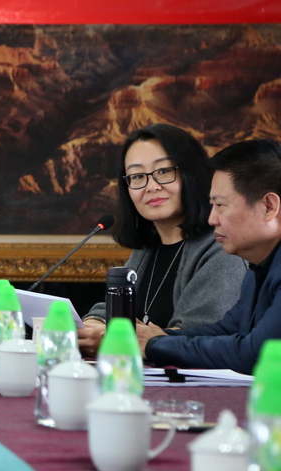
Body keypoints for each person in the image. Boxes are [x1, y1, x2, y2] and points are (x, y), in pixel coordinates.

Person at [78, 124, 245, 355]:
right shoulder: (148, 249)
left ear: (192, 174)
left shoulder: (222, 247)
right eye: (137, 176)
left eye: (164, 171)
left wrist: (113, 338)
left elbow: (200, 335)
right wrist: (92, 326)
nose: (152, 186)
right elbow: (114, 311)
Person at [140, 139, 281, 374]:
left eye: (220, 205)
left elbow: (257, 355)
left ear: (268, 206)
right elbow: (226, 331)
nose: (211, 219)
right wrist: (156, 336)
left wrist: (154, 344)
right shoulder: (259, 266)